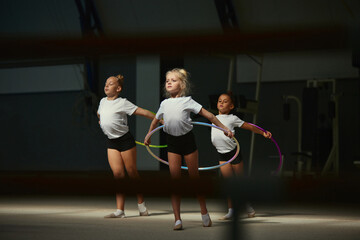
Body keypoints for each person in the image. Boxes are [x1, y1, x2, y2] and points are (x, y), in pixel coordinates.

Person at [144, 68, 234, 230]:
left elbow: (210, 116)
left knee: (194, 178)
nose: (169, 82)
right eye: (167, 80)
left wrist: (224, 129)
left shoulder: (188, 101)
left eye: (174, 80)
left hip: (187, 142)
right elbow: (155, 120)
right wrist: (149, 135)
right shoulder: (164, 103)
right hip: (172, 143)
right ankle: (177, 219)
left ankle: (204, 213)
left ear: (182, 84)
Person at [97, 74, 155, 218]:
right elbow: (99, 114)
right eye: (106, 83)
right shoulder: (102, 101)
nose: (106, 85)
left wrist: (159, 120)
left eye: (110, 84)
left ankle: (141, 206)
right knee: (118, 175)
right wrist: (103, 122)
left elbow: (143, 112)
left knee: (132, 173)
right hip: (111, 141)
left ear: (118, 88)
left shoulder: (123, 102)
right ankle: (120, 211)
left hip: (125, 141)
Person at [211, 93, 272, 220]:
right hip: (221, 154)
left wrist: (263, 132)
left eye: (225, 101)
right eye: (219, 101)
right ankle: (231, 210)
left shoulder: (232, 118)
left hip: (233, 153)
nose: (221, 103)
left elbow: (249, 127)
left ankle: (248, 206)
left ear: (231, 106)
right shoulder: (213, 118)